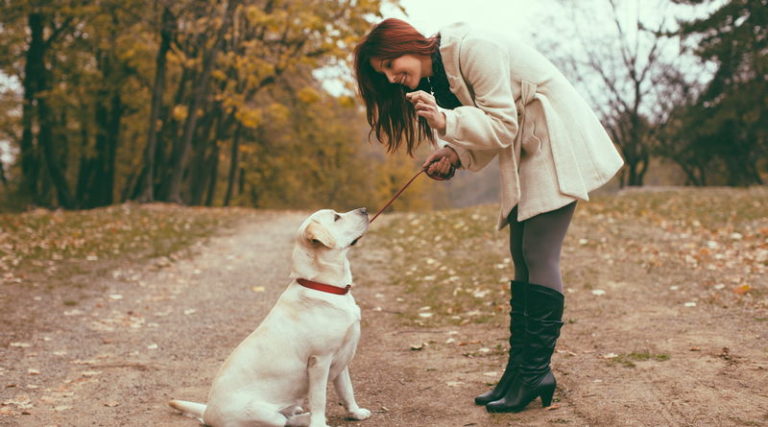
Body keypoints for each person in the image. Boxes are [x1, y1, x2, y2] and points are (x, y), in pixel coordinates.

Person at [353, 18, 624, 413]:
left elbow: (501, 124)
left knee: (539, 254)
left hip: (554, 138)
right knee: (521, 252)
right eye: (386, 75)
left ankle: (534, 372)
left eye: (391, 66)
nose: (394, 78)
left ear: (405, 43)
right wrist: (455, 153)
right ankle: (521, 371)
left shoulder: (473, 48)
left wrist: (447, 121)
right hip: (528, 145)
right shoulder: (442, 75)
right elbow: (491, 126)